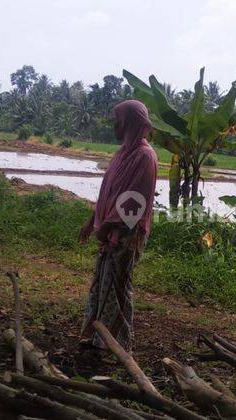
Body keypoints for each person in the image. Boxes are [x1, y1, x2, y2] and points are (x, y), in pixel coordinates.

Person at [78, 100, 158, 352]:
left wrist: (109, 225)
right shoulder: (122, 153)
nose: (115, 125)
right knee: (102, 282)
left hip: (127, 233)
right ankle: (97, 336)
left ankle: (118, 343)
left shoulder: (145, 156)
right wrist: (93, 222)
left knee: (118, 285)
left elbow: (136, 199)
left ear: (129, 123)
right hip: (109, 230)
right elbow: (108, 192)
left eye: (119, 120)